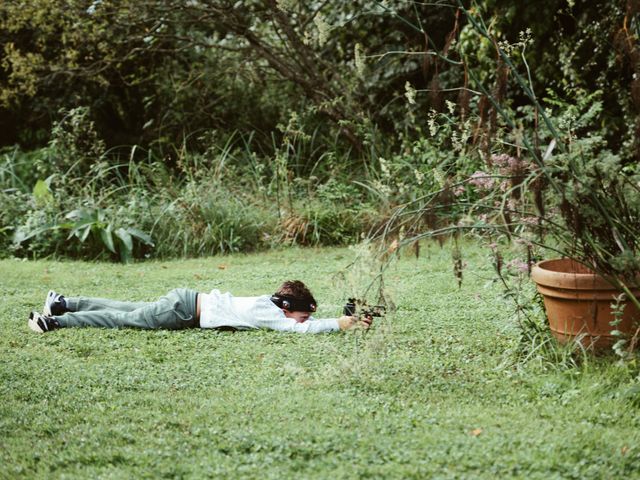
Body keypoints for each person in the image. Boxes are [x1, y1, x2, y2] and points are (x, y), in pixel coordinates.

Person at [27, 280, 372, 334]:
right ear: (286, 307)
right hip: (183, 311)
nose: (304, 319)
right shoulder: (267, 313)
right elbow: (304, 330)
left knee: (126, 306)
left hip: (186, 300)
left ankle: (63, 304)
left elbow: (302, 323)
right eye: (302, 313)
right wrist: (341, 323)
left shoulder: (266, 304)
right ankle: (57, 321)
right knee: (122, 318)